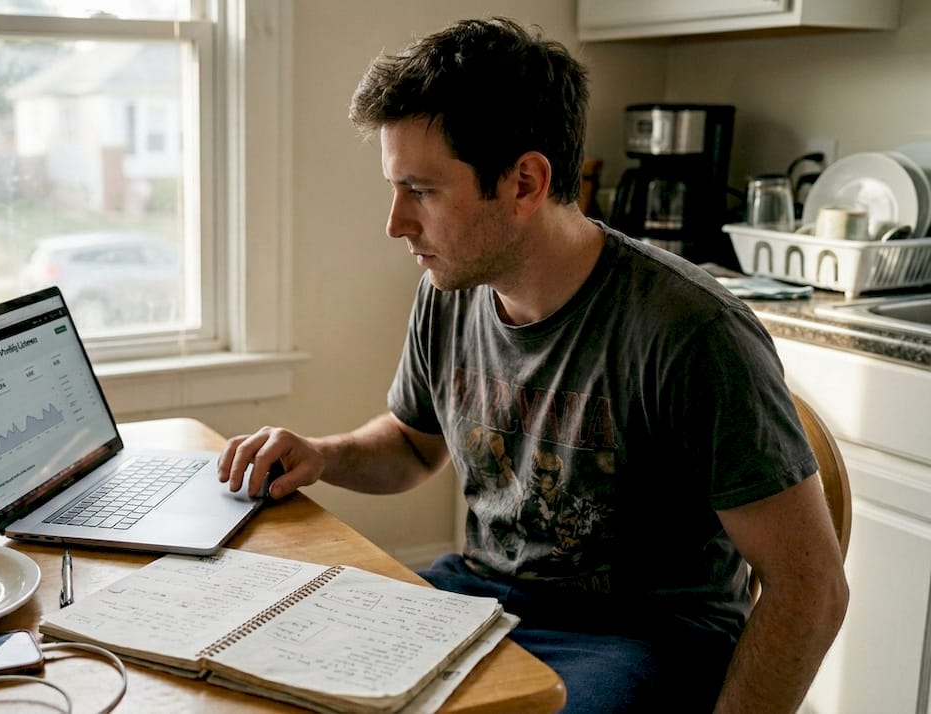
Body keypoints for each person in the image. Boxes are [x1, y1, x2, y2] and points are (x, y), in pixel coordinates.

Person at [217, 16, 848, 714]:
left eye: (421, 191)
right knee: (283, 675)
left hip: (640, 640)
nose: (395, 223)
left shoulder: (691, 333)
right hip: (480, 599)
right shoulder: (451, 292)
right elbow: (411, 445)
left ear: (524, 183)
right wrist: (321, 454)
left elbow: (810, 589)